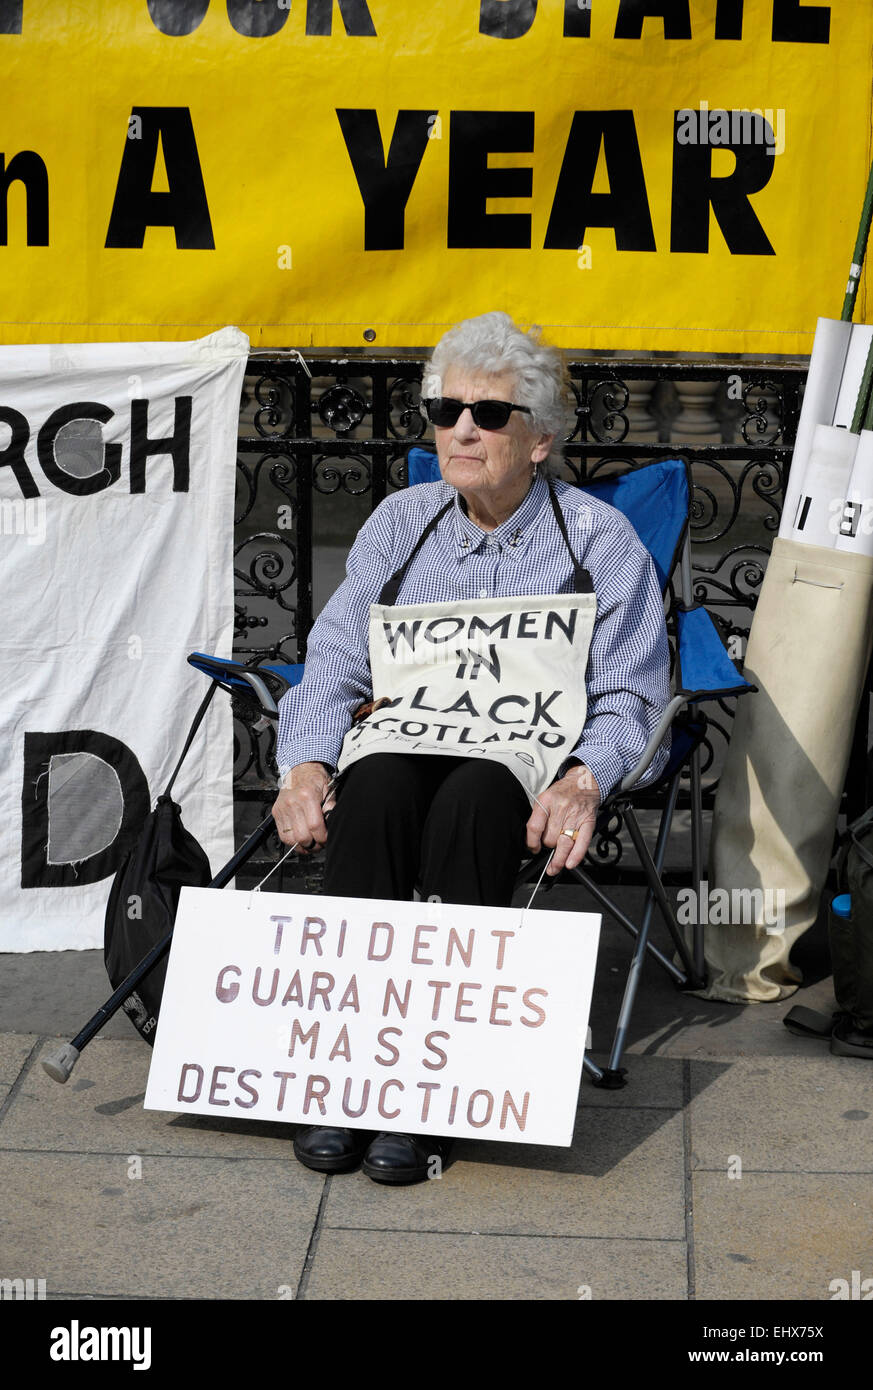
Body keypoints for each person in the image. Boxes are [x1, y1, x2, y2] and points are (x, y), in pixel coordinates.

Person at [272, 310, 671, 1183]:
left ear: (539, 441)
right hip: (405, 741)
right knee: (370, 789)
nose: (460, 428)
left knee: (471, 799)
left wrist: (584, 779)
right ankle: (344, 1072)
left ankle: (428, 1087)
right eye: (445, 408)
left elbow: (629, 695)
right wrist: (304, 762)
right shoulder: (399, 522)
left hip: (518, 762)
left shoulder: (600, 544)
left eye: (488, 414)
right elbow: (335, 660)